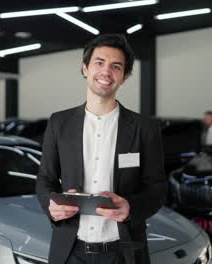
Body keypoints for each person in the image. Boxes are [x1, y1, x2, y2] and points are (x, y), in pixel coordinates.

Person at [36, 34, 167, 264]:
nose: (106, 72)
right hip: (70, 251)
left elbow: (157, 189)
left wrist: (131, 208)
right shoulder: (59, 123)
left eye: (116, 66)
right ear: (85, 68)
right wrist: (51, 204)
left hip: (124, 252)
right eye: (99, 63)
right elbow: (45, 178)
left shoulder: (145, 128)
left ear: (124, 77)